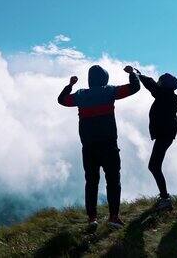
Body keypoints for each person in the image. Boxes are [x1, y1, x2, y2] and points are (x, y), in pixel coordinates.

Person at [57, 65, 140, 229]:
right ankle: (113, 217)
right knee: (113, 181)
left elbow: (62, 100)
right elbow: (134, 88)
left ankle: (92, 219)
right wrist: (132, 74)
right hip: (109, 146)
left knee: (91, 182)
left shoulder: (80, 95)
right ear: (105, 78)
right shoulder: (110, 92)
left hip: (88, 148)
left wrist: (70, 85)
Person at [136, 69, 177, 211]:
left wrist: (138, 75)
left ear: (164, 85)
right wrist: (141, 74)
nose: (158, 83)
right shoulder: (171, 96)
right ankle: (164, 197)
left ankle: (165, 198)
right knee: (155, 165)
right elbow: (154, 86)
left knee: (154, 166)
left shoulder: (163, 96)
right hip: (166, 134)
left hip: (164, 135)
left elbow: (151, 86)